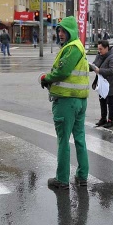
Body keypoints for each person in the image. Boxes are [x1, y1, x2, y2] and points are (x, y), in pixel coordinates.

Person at [39, 16, 90, 190]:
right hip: (80, 100)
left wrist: (46, 78)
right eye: (59, 30)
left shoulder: (72, 48)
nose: (60, 34)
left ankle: (62, 179)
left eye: (64, 31)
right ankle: (82, 176)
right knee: (80, 139)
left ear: (71, 32)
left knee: (63, 141)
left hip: (67, 102)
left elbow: (63, 71)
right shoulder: (78, 47)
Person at [91, 40, 113, 128]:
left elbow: (112, 70)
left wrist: (100, 70)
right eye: (98, 49)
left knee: (110, 102)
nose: (99, 51)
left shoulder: (112, 57)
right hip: (101, 83)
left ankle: (111, 120)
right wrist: (91, 67)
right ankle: (103, 118)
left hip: (110, 84)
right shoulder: (99, 55)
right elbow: (95, 64)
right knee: (102, 101)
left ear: (106, 48)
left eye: (101, 49)